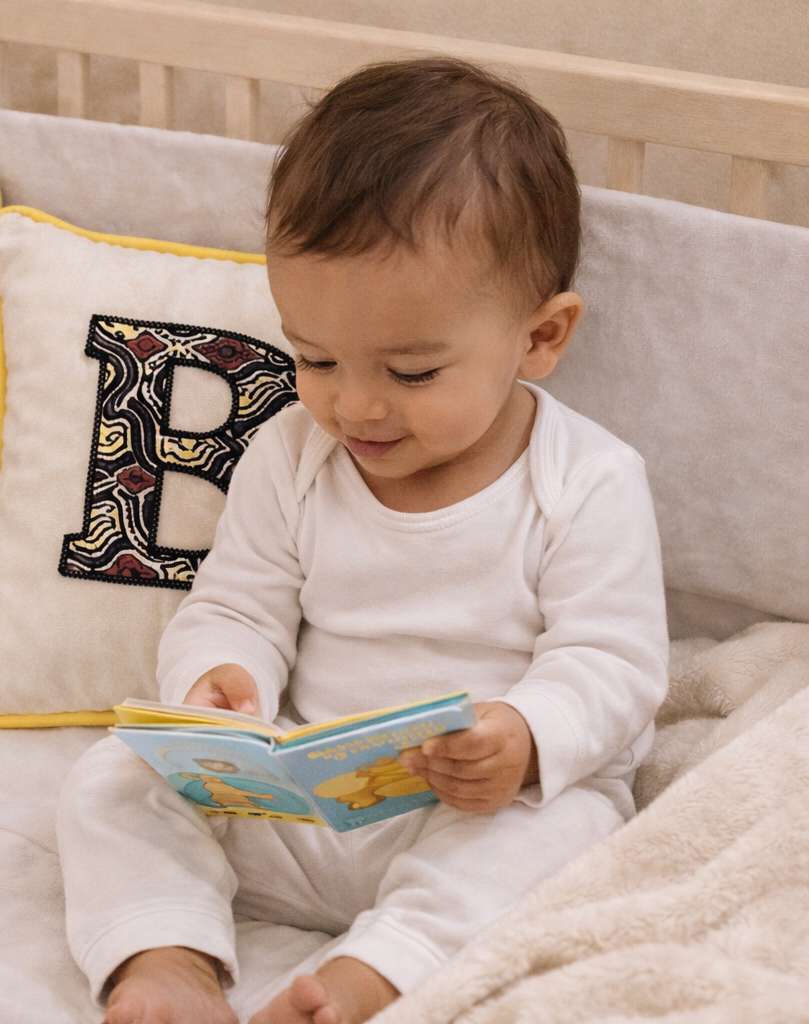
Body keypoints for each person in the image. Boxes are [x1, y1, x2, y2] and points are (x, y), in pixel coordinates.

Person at [55, 57, 668, 1024]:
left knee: (579, 830)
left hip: (470, 806)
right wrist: (221, 679)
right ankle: (165, 957)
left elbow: (616, 663)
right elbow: (236, 601)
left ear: (541, 338)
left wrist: (526, 737)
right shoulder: (294, 457)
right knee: (113, 778)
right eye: (316, 358)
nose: (355, 404)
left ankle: (368, 977)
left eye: (415, 372)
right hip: (297, 797)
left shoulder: (584, 481)